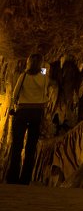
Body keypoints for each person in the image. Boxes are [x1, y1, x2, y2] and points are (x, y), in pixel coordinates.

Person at [6, 53, 49, 185]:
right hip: (37, 112)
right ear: (40, 63)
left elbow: (15, 93)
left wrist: (14, 105)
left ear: (28, 63)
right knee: (31, 147)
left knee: (17, 145)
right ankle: (25, 179)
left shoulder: (23, 76)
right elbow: (45, 85)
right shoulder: (43, 77)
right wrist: (41, 67)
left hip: (23, 111)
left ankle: (12, 177)